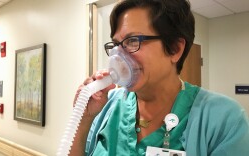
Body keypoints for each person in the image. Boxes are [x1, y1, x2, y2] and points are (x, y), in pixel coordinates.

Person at [70, 0, 249, 155]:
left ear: (174, 49)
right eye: (116, 44)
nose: (117, 55)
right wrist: (84, 119)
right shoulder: (107, 106)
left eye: (132, 41)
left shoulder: (224, 119)